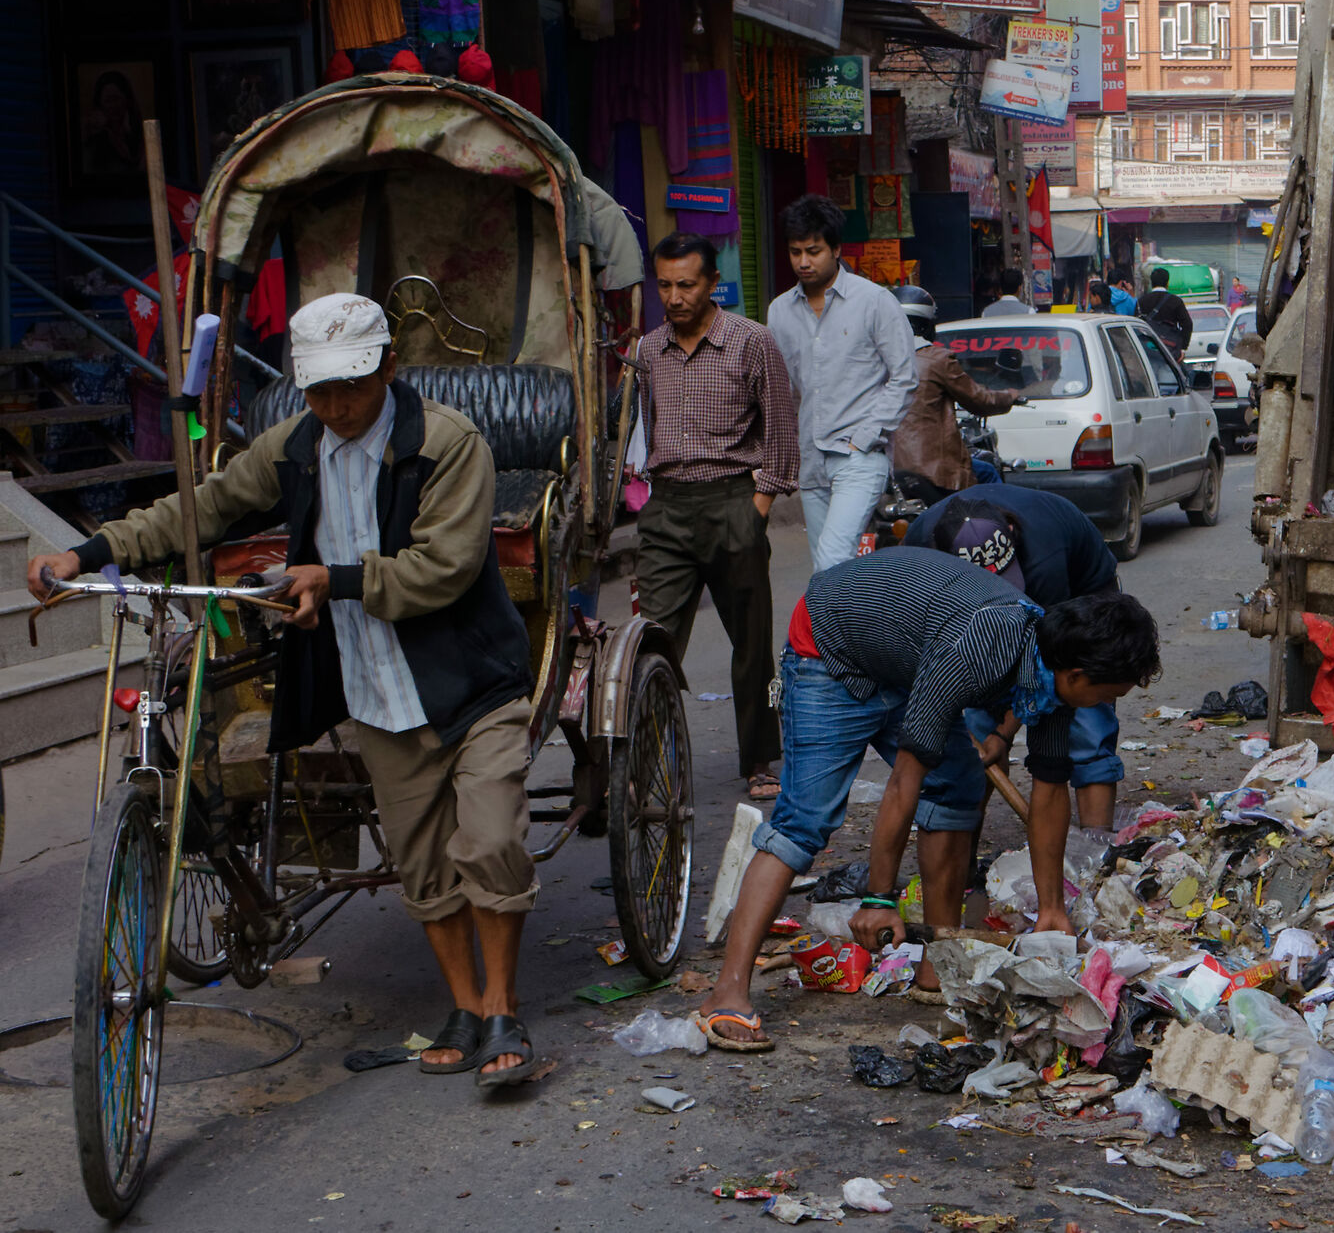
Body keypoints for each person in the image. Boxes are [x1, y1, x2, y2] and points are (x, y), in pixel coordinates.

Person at [28, 294, 541, 1086]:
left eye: (353, 388)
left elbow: (445, 566)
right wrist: (88, 551)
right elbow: (202, 511)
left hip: (473, 679)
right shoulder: (295, 445)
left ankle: (505, 1009)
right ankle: (467, 1009)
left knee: (492, 843)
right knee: (423, 868)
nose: (337, 407)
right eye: (320, 391)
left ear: (388, 370)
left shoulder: (448, 443)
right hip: (375, 687)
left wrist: (328, 578)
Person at [691, 548, 1159, 1048]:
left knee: (958, 787)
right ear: (1078, 677)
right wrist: (878, 897)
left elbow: (1048, 790)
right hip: (833, 647)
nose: (1109, 704)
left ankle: (939, 967)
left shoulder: (1050, 677)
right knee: (804, 820)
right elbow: (903, 783)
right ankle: (726, 994)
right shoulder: (983, 649)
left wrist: (1051, 910)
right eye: (1112, 694)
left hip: (905, 660)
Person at [635, 233, 801, 802]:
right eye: (665, 285)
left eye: (687, 284)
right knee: (649, 640)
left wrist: (758, 507)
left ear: (711, 284)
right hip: (667, 509)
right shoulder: (647, 350)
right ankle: (645, 758)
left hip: (734, 501)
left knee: (752, 643)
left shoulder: (751, 342)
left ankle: (760, 757)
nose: (675, 297)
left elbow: (781, 426)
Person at [906, 484, 1125, 831]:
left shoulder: (1045, 560)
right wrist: (980, 730)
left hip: (1084, 598)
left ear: (1011, 535)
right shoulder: (922, 546)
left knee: (1086, 715)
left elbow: (1047, 669)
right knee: (976, 735)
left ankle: (1095, 856)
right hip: (971, 603)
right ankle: (961, 855)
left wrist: (1003, 734)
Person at [767, 194, 918, 576]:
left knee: (832, 559)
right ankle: (854, 632)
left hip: (858, 455)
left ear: (836, 249)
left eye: (813, 251)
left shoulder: (875, 302)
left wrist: (866, 436)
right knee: (831, 569)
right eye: (795, 251)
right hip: (810, 459)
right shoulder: (779, 311)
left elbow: (904, 376)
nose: (803, 261)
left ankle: (827, 633)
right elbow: (781, 387)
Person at [889, 284, 1020, 500]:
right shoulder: (936, 359)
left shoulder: (875, 360)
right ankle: (996, 528)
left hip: (887, 467)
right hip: (929, 467)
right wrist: (1010, 396)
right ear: (925, 324)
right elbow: (979, 399)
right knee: (987, 471)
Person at [1136, 266, 1192, 356]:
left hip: (1148, 349)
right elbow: (1187, 324)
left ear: (1152, 283)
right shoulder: (1176, 301)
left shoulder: (1141, 301)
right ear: (1167, 283)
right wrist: (1183, 348)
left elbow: (1137, 324)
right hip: (1170, 349)